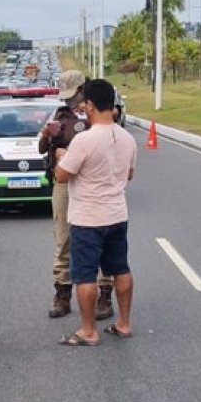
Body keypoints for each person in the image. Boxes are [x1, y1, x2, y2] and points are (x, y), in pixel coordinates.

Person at [53, 78, 137, 346]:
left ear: (89, 105)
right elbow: (129, 174)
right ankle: (124, 323)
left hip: (88, 219)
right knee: (120, 269)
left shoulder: (84, 140)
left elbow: (62, 176)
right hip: (117, 215)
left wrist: (61, 156)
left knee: (85, 275)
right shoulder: (127, 138)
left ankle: (89, 331)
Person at [38, 70, 114, 320]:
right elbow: (42, 149)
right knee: (63, 239)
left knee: (101, 238)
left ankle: (105, 295)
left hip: (94, 183)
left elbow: (107, 144)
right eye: (68, 96)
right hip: (64, 181)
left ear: (84, 89)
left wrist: (70, 154)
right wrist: (47, 135)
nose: (72, 100)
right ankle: (62, 294)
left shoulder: (100, 115)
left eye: (75, 95)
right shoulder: (61, 115)